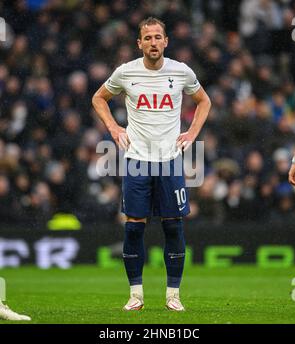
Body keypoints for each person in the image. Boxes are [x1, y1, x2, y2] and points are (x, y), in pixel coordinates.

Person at [92, 17, 211, 311]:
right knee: (134, 228)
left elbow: (204, 101)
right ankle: (136, 295)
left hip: (170, 161)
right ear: (139, 43)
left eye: (158, 37)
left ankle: (173, 295)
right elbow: (99, 98)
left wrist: (192, 133)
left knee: (174, 227)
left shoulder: (181, 71)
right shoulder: (126, 72)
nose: (153, 42)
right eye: (148, 38)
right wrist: (114, 129)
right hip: (137, 162)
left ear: (166, 41)